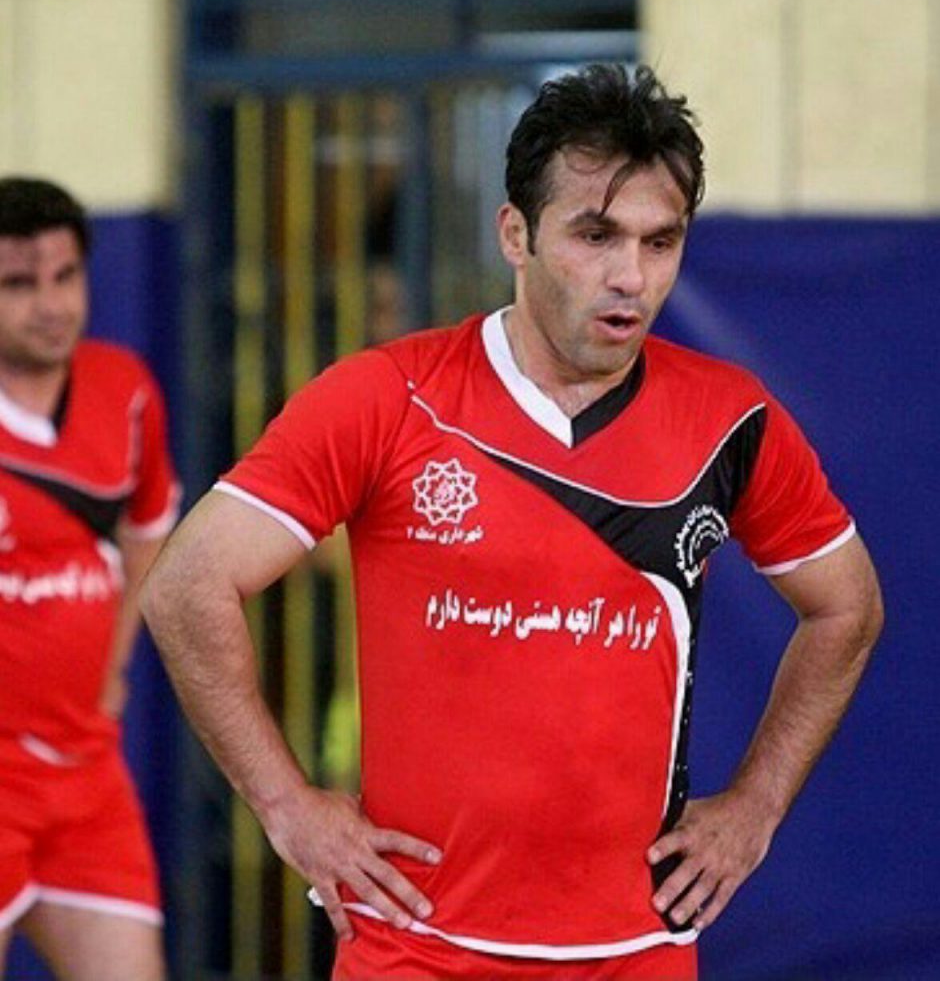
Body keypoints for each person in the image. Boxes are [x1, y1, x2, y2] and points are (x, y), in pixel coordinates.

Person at [140, 64, 883, 980]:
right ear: (516, 235)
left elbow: (846, 606)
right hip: (415, 950)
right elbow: (186, 586)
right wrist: (284, 804)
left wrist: (757, 807)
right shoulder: (387, 398)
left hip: (635, 952)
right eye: (595, 235)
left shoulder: (732, 420)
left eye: (660, 242)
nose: (630, 276)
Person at [0, 179, 178, 981]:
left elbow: (149, 530)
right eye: (19, 283)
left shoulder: (125, 390)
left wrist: (114, 668)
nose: (50, 305)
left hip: (85, 775)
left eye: (65, 276)